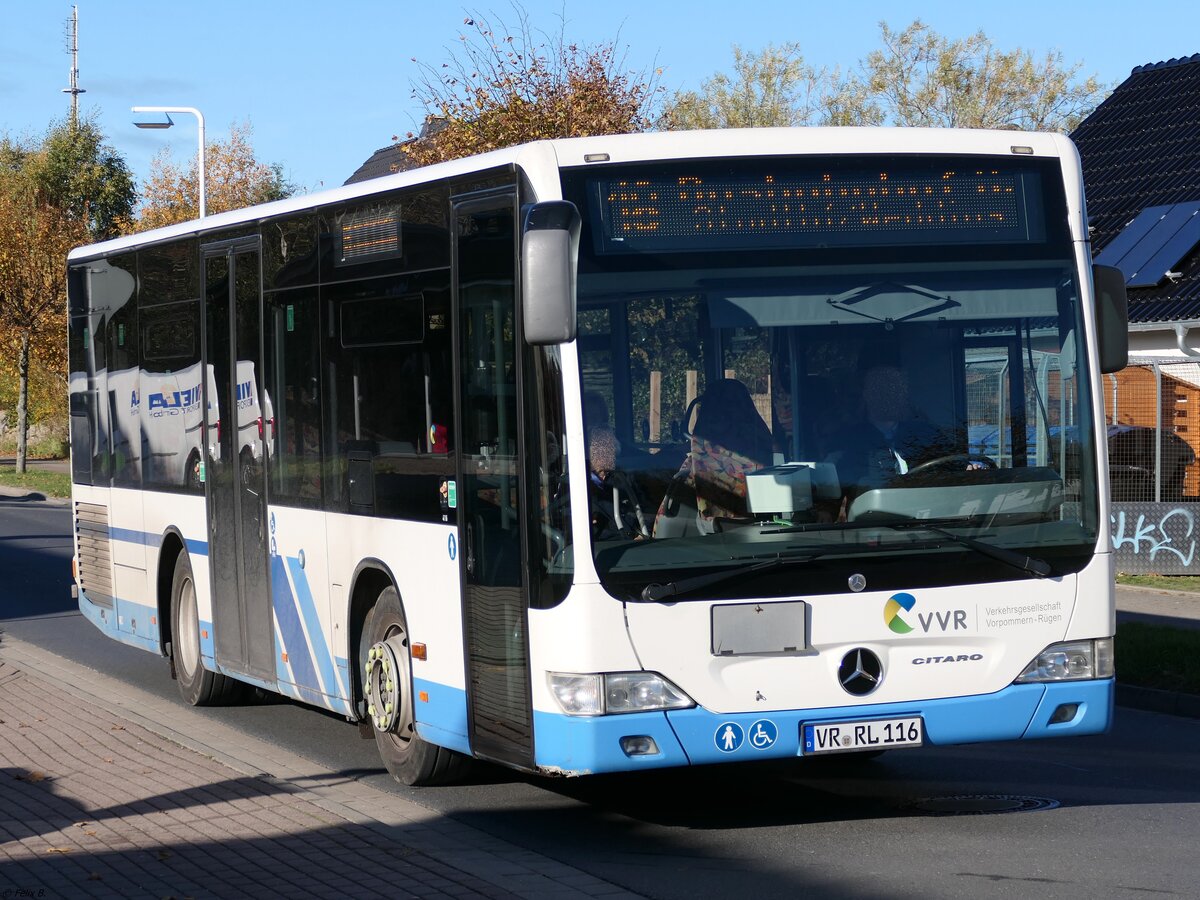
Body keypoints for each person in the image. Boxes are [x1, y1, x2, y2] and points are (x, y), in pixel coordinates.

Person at [653, 378, 774, 534]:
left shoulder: (695, 463)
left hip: (713, 539)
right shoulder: (767, 448)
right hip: (768, 535)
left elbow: (665, 527)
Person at [825, 363, 956, 501]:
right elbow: (833, 489)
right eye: (882, 389)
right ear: (866, 394)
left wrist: (969, 469)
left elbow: (952, 463)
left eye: (896, 389)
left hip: (931, 514)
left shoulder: (926, 433)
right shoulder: (847, 441)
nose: (891, 395)